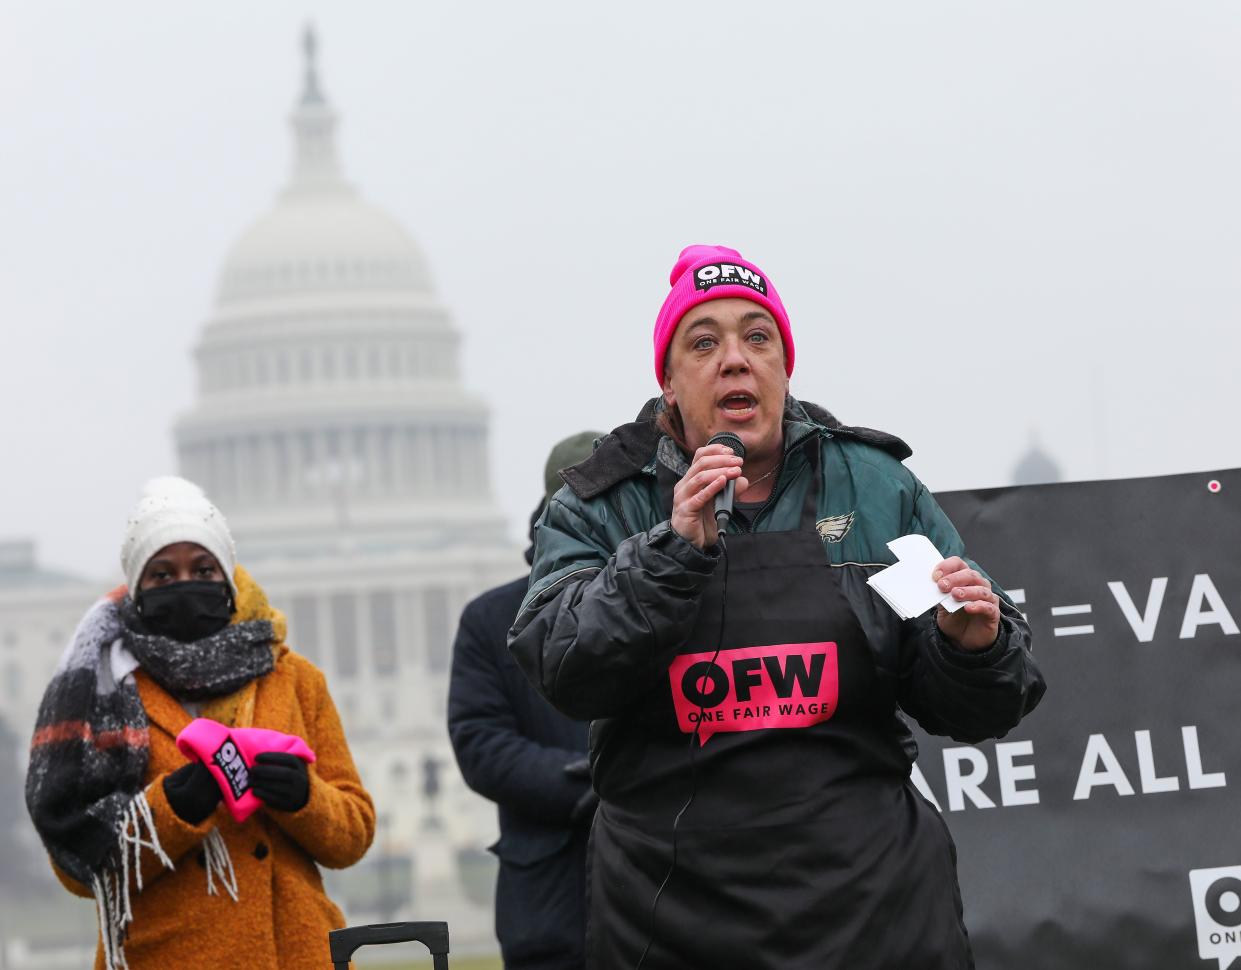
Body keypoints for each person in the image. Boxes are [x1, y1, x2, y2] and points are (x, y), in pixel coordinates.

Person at [509, 245, 1046, 969]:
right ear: (668, 381)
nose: (736, 360)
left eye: (757, 338)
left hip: (874, 911)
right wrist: (670, 551)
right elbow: (561, 666)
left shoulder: (874, 486)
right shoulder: (600, 502)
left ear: (783, 368)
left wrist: (971, 646)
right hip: (674, 919)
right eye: (704, 343)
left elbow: (981, 709)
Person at [25, 477, 374, 970]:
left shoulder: (293, 679)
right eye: (163, 575)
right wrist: (169, 811)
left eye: (203, 568)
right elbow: (79, 869)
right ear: (137, 591)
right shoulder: (103, 693)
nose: (185, 584)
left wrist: (305, 799)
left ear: (228, 581)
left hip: (295, 953)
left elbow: (354, 833)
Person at [448, 431, 602, 970]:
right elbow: (480, 744)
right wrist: (583, 782)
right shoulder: (492, 619)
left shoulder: (673, 595)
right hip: (549, 902)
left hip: (665, 891)